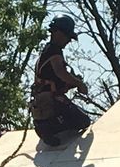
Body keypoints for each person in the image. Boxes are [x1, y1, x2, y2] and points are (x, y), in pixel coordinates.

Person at [30, 17, 92, 148]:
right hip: (49, 103)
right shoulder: (54, 51)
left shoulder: (47, 51)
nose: (69, 40)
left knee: (78, 119)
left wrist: (71, 83)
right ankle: (49, 129)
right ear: (58, 33)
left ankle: (47, 126)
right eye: (67, 36)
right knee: (82, 121)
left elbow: (57, 79)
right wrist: (79, 84)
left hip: (43, 104)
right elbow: (61, 73)